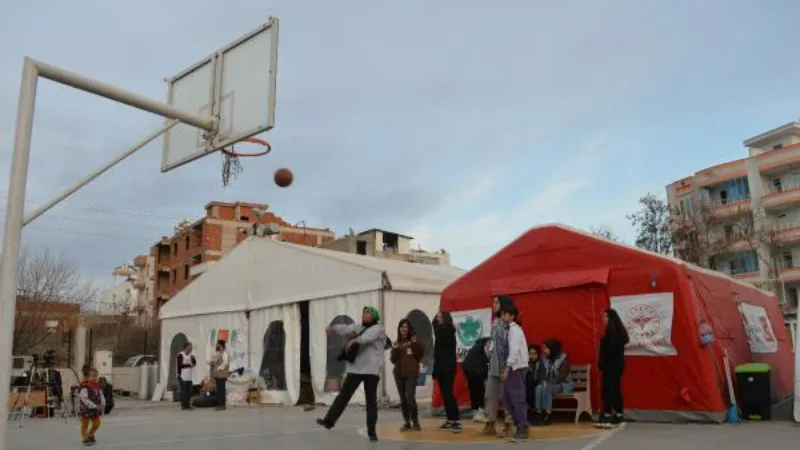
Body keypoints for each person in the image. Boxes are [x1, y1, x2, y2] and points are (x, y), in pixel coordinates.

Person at [317, 306, 387, 442]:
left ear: (374, 316)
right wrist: (335, 329)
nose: (363, 315)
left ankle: (372, 432)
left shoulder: (378, 329)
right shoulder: (360, 326)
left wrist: (354, 340)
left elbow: (367, 338)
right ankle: (329, 421)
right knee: (343, 396)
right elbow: (348, 328)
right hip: (356, 369)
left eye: (367, 313)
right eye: (363, 313)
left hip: (371, 370)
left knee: (370, 401)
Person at [480, 295, 515, 437]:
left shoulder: (510, 324)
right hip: (493, 365)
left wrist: (506, 367)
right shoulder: (495, 322)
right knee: (490, 395)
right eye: (493, 302)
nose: (493, 305)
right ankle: (490, 424)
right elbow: (495, 342)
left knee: (507, 396)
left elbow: (510, 346)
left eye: (496, 302)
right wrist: (488, 347)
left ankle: (509, 425)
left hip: (505, 366)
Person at [500, 304, 530, 442]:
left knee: (517, 398)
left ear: (512, 316)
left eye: (505, 314)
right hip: (511, 368)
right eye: (502, 314)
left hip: (516, 368)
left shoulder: (515, 331)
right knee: (507, 399)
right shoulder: (507, 330)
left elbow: (514, 351)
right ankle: (519, 424)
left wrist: (507, 369)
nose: (503, 316)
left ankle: (523, 428)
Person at [389, 319, 425, 431]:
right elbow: (393, 360)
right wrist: (394, 350)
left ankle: (415, 422)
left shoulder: (414, 340)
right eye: (402, 327)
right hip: (399, 374)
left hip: (411, 373)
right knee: (403, 399)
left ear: (409, 329)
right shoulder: (396, 343)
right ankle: (407, 422)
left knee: (410, 397)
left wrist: (414, 343)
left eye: (406, 327)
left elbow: (420, 354)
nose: (404, 329)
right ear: (399, 328)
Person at [597, 308, 629, 427]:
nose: (603, 319)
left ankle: (607, 413)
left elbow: (608, 352)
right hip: (617, 366)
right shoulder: (618, 333)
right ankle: (618, 413)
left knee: (607, 390)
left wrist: (602, 363)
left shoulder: (611, 334)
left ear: (610, 318)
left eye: (605, 316)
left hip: (611, 366)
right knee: (615, 389)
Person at [432, 310, 462, 433]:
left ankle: (456, 421)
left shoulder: (448, 331)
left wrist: (437, 322)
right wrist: (436, 369)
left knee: (448, 394)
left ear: (445, 318)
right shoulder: (440, 332)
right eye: (437, 316)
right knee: (445, 394)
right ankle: (450, 420)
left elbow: (436, 328)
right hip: (440, 367)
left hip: (448, 368)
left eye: (439, 317)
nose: (437, 318)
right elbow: (434, 323)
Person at [533, 339, 573, 426]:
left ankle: (548, 413)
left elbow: (562, 375)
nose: (544, 351)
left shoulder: (563, 358)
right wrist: (543, 381)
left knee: (547, 388)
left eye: (546, 348)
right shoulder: (543, 359)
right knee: (538, 388)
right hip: (547, 384)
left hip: (563, 384)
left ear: (553, 348)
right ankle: (539, 413)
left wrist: (550, 383)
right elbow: (541, 373)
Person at [461, 336, 490, 423]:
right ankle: (480, 414)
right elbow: (488, 358)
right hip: (476, 370)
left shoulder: (475, 348)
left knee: (473, 391)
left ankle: (475, 412)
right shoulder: (484, 346)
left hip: (468, 369)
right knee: (481, 391)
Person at [78, 367, 106, 446]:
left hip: (95, 408)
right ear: (87, 377)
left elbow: (101, 395)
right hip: (86, 409)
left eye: (96, 376)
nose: (95, 378)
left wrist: (103, 403)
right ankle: (85, 438)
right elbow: (84, 398)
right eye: (93, 376)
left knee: (97, 423)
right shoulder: (85, 387)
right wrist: (93, 405)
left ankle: (90, 434)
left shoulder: (97, 386)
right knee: (85, 424)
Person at [525, 343, 546, 413]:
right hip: (527, 385)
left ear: (538, 354)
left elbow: (541, 377)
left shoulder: (541, 363)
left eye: (534, 354)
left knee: (530, 380)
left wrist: (532, 372)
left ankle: (530, 406)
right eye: (530, 354)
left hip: (538, 383)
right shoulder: (525, 363)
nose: (532, 356)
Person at [210, 339, 230, 411]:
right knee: (219, 389)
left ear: (220, 345)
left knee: (221, 389)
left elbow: (225, 363)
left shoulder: (225, 353)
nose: (216, 345)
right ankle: (219, 403)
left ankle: (221, 404)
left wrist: (217, 369)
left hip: (222, 374)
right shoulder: (220, 353)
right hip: (218, 375)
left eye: (217, 344)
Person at [177, 341, 197, 410]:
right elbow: (180, 365)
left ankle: (188, 405)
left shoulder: (190, 355)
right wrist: (189, 365)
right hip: (183, 376)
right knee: (184, 391)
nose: (191, 349)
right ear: (186, 347)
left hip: (189, 376)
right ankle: (184, 405)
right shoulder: (181, 355)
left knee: (189, 391)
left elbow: (194, 364)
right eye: (190, 347)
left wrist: (194, 359)